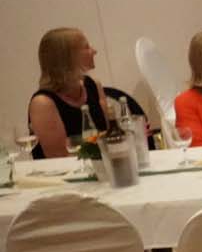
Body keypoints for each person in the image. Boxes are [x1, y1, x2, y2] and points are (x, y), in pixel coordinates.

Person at [26, 28, 143, 159]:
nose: (94, 51)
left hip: (97, 166)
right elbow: (58, 157)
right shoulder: (43, 103)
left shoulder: (93, 85)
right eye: (86, 47)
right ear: (67, 57)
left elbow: (107, 136)